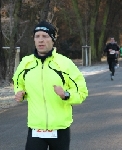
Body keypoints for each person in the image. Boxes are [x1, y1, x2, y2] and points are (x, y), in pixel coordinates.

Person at [12, 21, 88, 150]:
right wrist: (20, 93)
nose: (40, 40)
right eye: (37, 36)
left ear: (53, 40)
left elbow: (82, 93)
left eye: (45, 36)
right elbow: (18, 83)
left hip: (59, 128)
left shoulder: (65, 64)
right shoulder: (26, 63)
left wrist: (66, 95)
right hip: (36, 127)